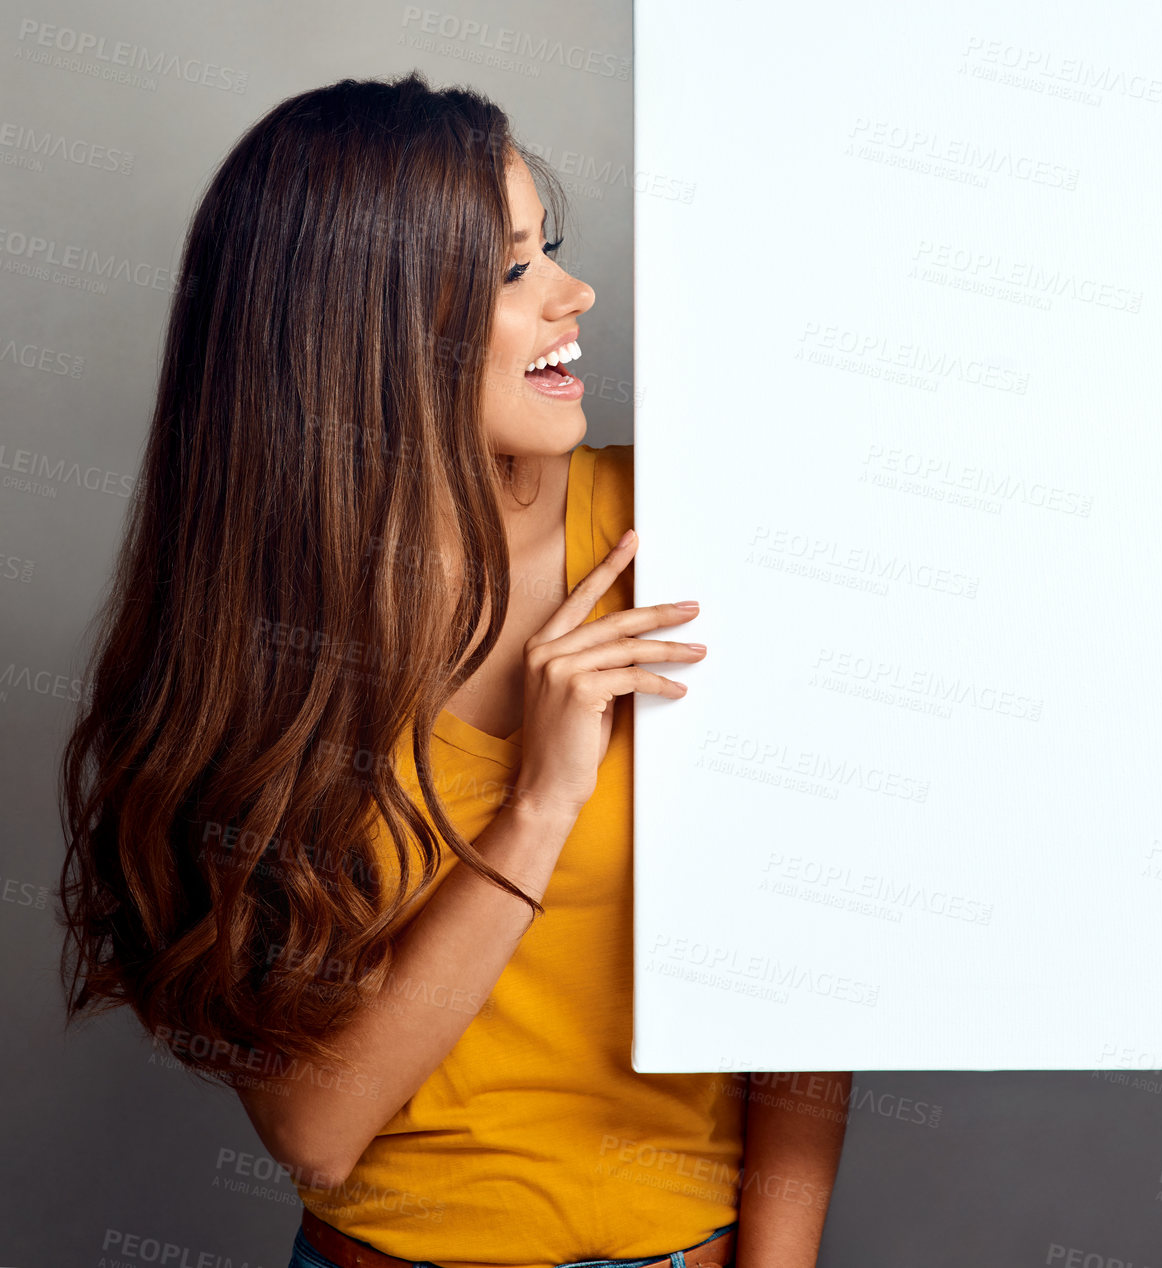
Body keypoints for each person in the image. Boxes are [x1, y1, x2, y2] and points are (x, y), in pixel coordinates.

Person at [57, 71, 850, 1268]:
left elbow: (808, 968)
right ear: (365, 333)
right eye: (512, 271)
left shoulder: (694, 531)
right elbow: (317, 1133)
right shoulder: (251, 648)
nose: (575, 295)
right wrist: (541, 798)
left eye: (553, 250)